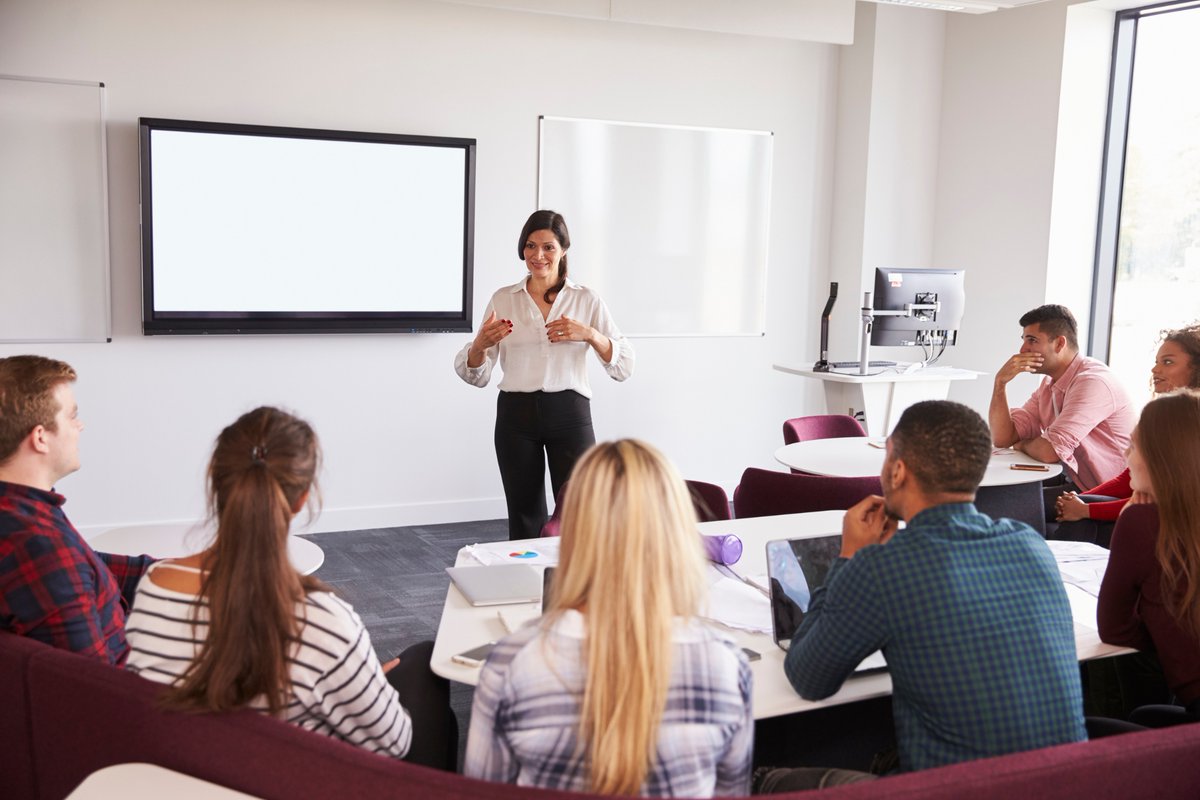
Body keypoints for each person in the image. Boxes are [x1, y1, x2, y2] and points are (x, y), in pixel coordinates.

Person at [756, 401, 1085, 792]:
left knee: (765, 776)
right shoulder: (1030, 544)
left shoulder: (884, 566)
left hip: (953, 789)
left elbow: (808, 678)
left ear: (897, 470)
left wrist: (850, 558)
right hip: (1068, 783)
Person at [124, 407, 457, 770]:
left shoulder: (154, 586)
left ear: (215, 481)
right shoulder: (322, 620)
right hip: (293, 780)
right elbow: (394, 743)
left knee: (416, 659)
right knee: (425, 662)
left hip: (184, 776)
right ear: (302, 498)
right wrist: (364, 675)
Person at [464, 439, 753, 796]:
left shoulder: (511, 662)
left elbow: (485, 790)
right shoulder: (726, 664)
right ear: (677, 534)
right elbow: (731, 791)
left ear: (573, 535)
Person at [454, 210, 634, 540]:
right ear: (522, 249)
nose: (538, 256)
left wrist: (590, 334)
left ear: (564, 249)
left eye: (548, 247)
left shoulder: (586, 299)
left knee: (581, 511)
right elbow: (476, 374)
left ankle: (580, 587)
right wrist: (479, 344)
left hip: (570, 413)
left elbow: (624, 366)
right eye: (531, 246)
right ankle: (530, 586)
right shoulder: (503, 299)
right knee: (524, 514)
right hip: (515, 417)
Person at [0, 355, 154, 664]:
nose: (80, 426)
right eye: (72, 416)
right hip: (133, 700)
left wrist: (193, 571)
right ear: (40, 437)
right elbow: (93, 693)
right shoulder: (39, 545)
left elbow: (88, 568)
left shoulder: (23, 512)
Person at [1097, 389, 1200, 726]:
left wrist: (1165, 639)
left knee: (1088, 729)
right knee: (1147, 716)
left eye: (1134, 446)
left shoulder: (1143, 521)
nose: (1126, 456)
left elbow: (1115, 629)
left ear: (1164, 456)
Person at [1055, 323, 1200, 545]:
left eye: (1168, 362)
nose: (1155, 370)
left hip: (1175, 523)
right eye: (1157, 362)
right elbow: (1127, 480)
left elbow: (1162, 501)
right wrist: (1079, 501)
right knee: (1065, 511)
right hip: (1147, 508)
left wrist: (1086, 510)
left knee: (1077, 519)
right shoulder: (1160, 414)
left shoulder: (1187, 423)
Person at [989, 304, 1134, 506]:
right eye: (1023, 340)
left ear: (1059, 344)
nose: (1022, 350)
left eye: (1032, 340)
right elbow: (1003, 438)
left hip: (1106, 495)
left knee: (1008, 504)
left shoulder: (1092, 382)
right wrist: (1000, 384)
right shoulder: (1049, 384)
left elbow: (1049, 453)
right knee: (998, 495)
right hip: (1076, 481)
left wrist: (1022, 444)